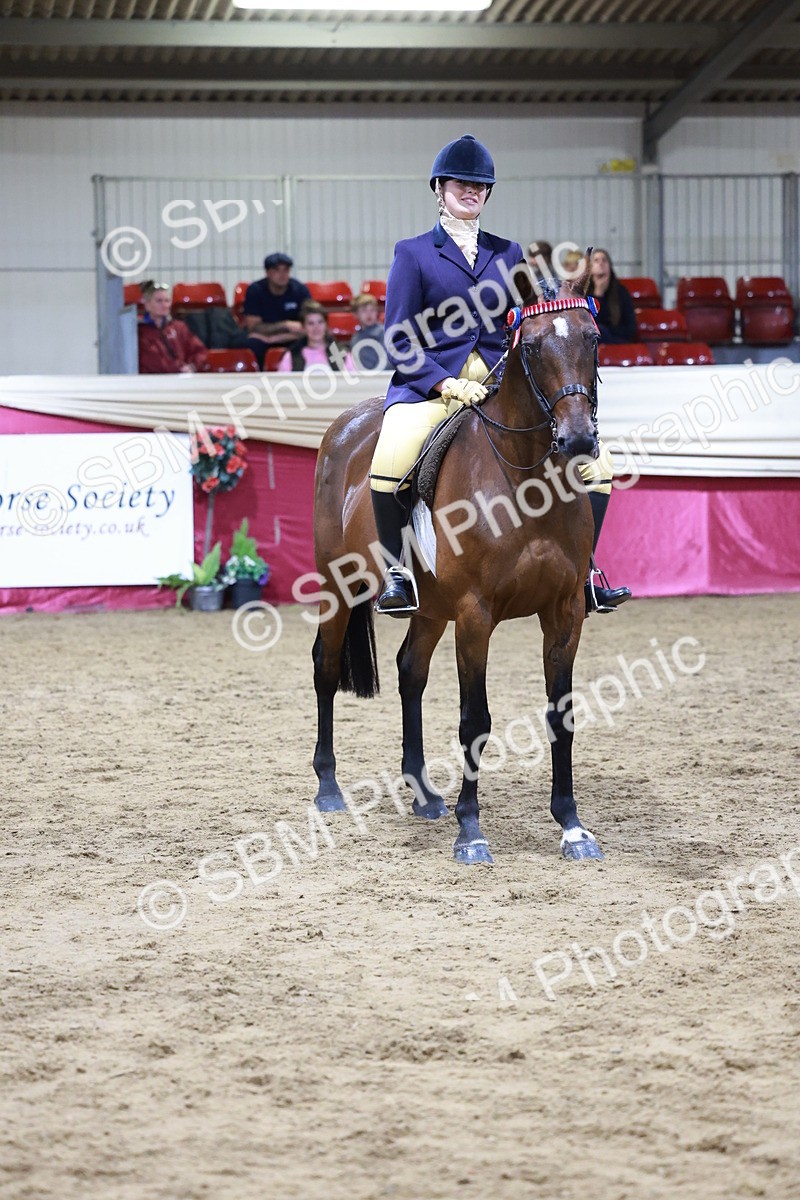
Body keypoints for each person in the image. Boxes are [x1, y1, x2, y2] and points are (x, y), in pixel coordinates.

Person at [369, 134, 629, 617]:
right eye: (462, 183)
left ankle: (586, 571)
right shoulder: (413, 253)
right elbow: (399, 340)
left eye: (480, 185)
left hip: (495, 384)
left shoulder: (507, 253)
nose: (472, 191)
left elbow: (528, 318)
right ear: (439, 188)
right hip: (433, 388)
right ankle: (397, 573)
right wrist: (445, 383)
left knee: (600, 466)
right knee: (391, 458)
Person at [242, 252, 312, 368]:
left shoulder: (300, 290)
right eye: (277, 270)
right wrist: (286, 325)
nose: (282, 274)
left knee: (309, 341)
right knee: (252, 344)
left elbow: (308, 327)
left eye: (286, 270)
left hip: (290, 338)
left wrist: (273, 338)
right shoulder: (255, 290)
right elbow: (254, 327)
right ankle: (258, 376)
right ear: (267, 272)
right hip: (264, 339)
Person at [137, 281, 208, 374]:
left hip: (179, 379)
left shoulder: (179, 328)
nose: (165, 305)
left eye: (167, 301)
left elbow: (200, 351)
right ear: (147, 304)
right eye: (159, 301)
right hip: (150, 380)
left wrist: (193, 366)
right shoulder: (138, 331)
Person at [276, 301, 345, 372]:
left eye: (320, 322)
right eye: (311, 323)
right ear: (303, 327)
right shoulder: (291, 356)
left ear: (326, 325)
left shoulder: (341, 353)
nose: (316, 328)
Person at [588, 248, 638, 344]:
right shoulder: (585, 292)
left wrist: (607, 331)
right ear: (590, 268)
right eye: (596, 260)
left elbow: (630, 329)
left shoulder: (621, 292)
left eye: (604, 260)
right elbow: (591, 324)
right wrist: (598, 294)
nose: (601, 263)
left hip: (616, 341)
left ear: (609, 266)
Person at [347, 293, 388, 372]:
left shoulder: (383, 332)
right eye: (364, 310)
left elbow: (388, 359)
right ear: (355, 314)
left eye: (372, 310)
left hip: (382, 375)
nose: (369, 314)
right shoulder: (355, 338)